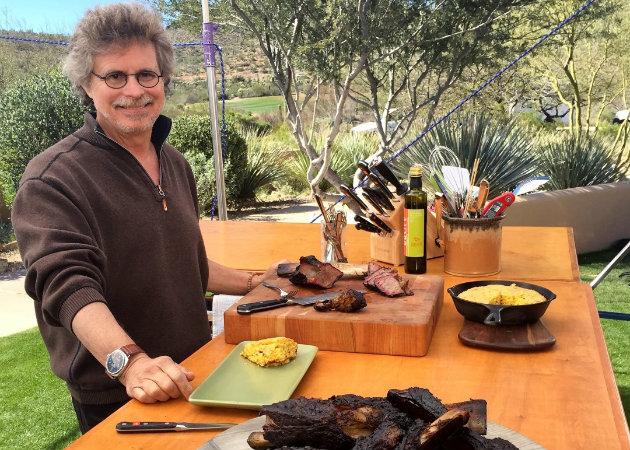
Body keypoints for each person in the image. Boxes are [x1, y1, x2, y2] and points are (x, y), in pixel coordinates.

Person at [11, 2, 284, 434]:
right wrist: (131, 363)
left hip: (196, 368)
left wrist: (254, 283)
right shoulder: (53, 179)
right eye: (115, 76)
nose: (134, 90)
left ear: (164, 80)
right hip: (120, 392)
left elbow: (181, 260)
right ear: (86, 83)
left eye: (146, 75)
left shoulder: (174, 162)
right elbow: (66, 286)